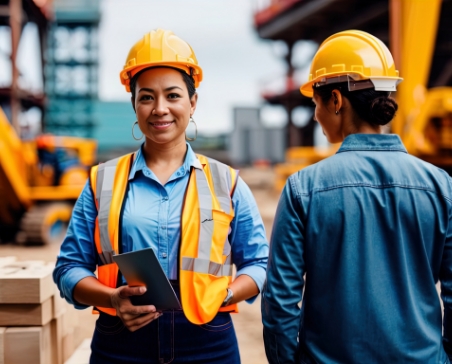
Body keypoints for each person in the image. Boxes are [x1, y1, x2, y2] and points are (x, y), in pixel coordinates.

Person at [53, 29, 268, 364]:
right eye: (147, 97)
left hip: (207, 341)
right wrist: (112, 298)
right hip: (121, 342)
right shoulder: (101, 181)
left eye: (173, 95)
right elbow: (69, 268)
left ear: (192, 102)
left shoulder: (227, 182)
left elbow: (259, 264)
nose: (160, 109)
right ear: (135, 105)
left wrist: (224, 293)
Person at [261, 29, 452, 364]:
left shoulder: (303, 189)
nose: (316, 115)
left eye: (315, 102)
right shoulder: (441, 186)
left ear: (336, 100)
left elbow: (279, 302)